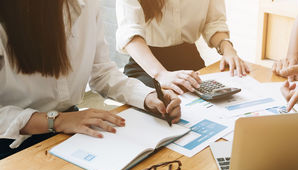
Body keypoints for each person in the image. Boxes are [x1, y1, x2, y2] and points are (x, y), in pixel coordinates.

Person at [0, 0, 181, 160]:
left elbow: (102, 72)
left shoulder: (87, 4)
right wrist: (57, 121)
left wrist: (147, 97)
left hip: (71, 127)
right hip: (10, 142)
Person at [116, 0, 250, 95]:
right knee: (164, 111)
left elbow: (214, 22)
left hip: (189, 61)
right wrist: (161, 74)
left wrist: (227, 49)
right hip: (147, 65)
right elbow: (130, 32)